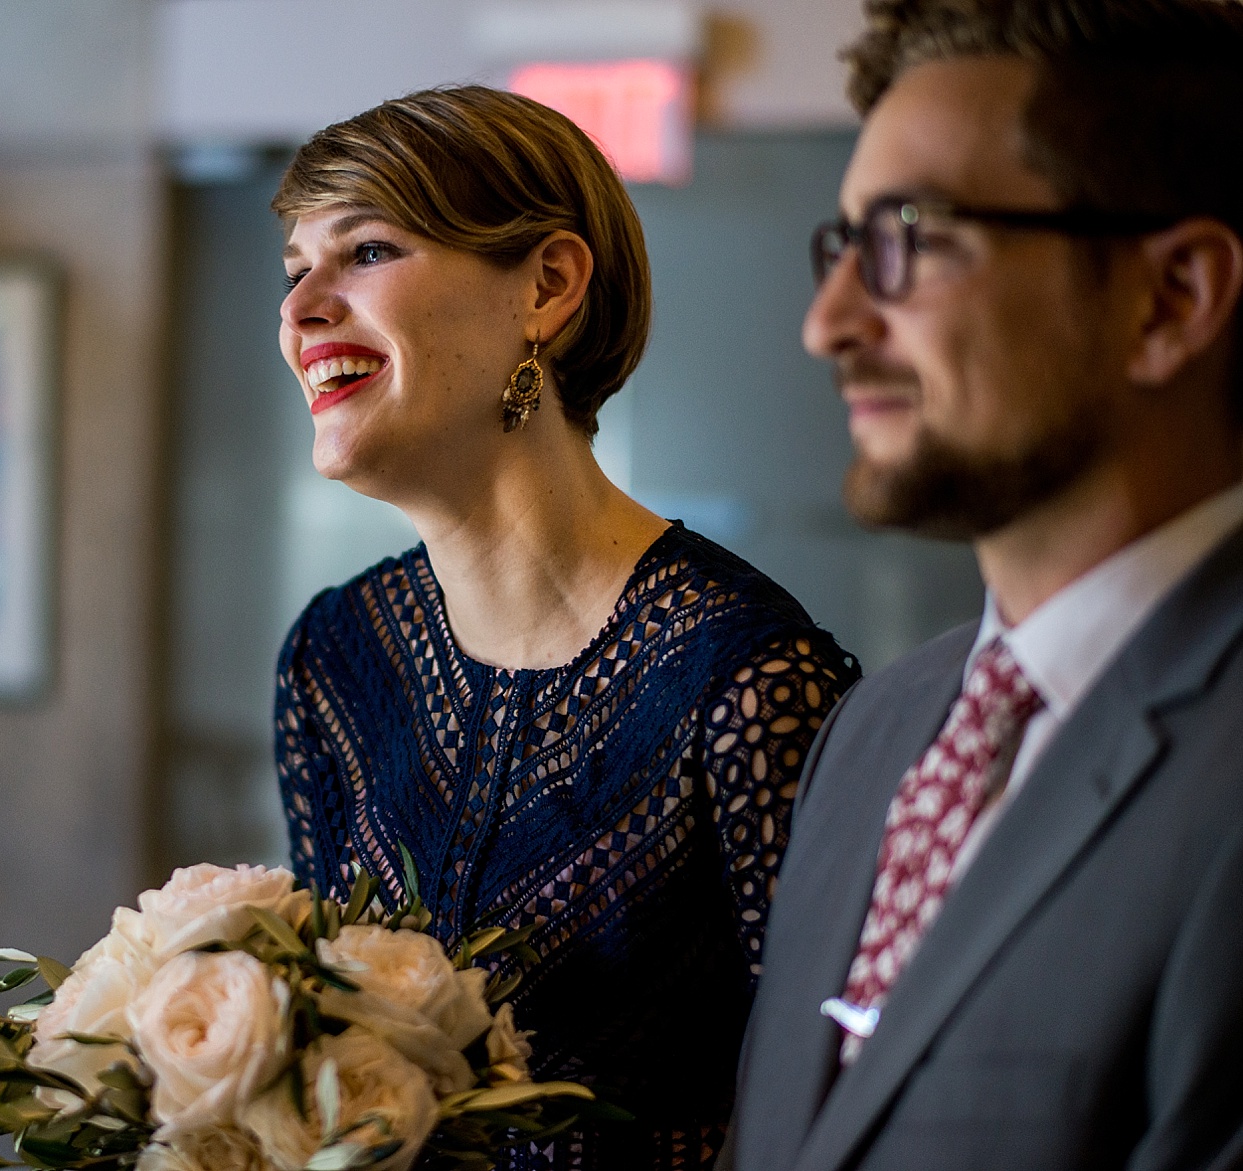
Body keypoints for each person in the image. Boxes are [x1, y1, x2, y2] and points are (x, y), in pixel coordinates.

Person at [269, 86, 859, 1170]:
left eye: (366, 250)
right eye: (295, 266)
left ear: (546, 285)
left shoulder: (750, 680)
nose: (302, 306)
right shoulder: (332, 660)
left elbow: (825, 1122)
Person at [725, 2, 1243, 1168]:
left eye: (912, 234)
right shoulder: (876, 728)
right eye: (843, 244)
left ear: (1170, 301)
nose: (828, 323)